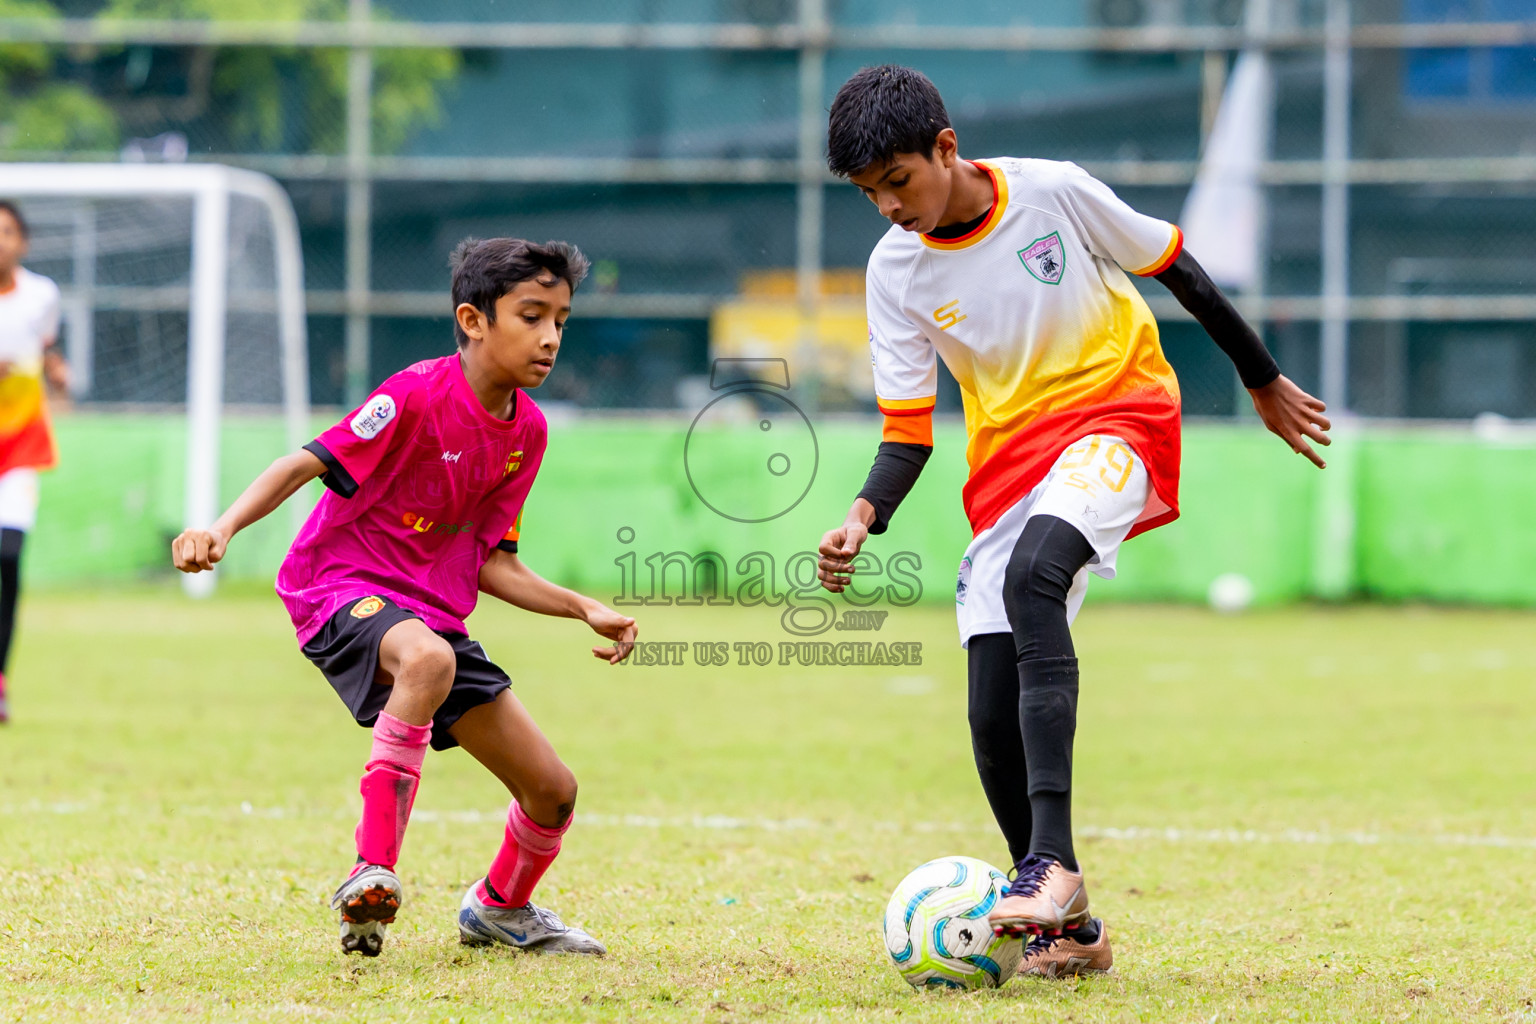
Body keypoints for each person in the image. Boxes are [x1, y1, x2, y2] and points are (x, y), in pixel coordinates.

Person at [814, 66, 1330, 978]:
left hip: (1118, 415)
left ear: (946, 148)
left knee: (1033, 578)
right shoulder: (894, 270)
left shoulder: (1052, 191)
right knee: (986, 713)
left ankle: (1054, 867)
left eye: (898, 180)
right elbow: (905, 431)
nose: (888, 206)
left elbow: (1175, 265)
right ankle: (1068, 931)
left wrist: (1259, 377)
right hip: (1006, 470)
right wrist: (862, 516)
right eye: (869, 194)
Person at [172, 237, 637, 958]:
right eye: (532, 315)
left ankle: (500, 909)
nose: (550, 338)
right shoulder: (415, 392)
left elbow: (494, 564)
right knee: (423, 657)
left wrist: (582, 606)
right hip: (339, 589)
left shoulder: (528, 433)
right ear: (474, 319)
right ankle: (371, 871)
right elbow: (306, 462)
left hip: (432, 619)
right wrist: (221, 526)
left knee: (552, 792)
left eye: (562, 321)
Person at [0, 200, 70, 725]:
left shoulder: (41, 295)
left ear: (22, 241)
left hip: (18, 443)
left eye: (7, 232)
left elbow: (45, 347)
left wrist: (55, 370)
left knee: (7, 555)